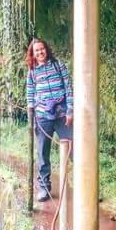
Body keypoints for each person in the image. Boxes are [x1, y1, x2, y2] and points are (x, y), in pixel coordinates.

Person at [25, 37, 73, 202]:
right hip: (43, 116)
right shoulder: (32, 71)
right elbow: (30, 93)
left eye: (42, 49)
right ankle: (44, 189)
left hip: (62, 116)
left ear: (47, 49)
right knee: (42, 154)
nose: (40, 52)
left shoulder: (58, 65)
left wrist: (70, 110)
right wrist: (31, 116)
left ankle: (86, 187)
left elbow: (69, 88)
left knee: (75, 150)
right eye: (36, 50)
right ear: (33, 53)